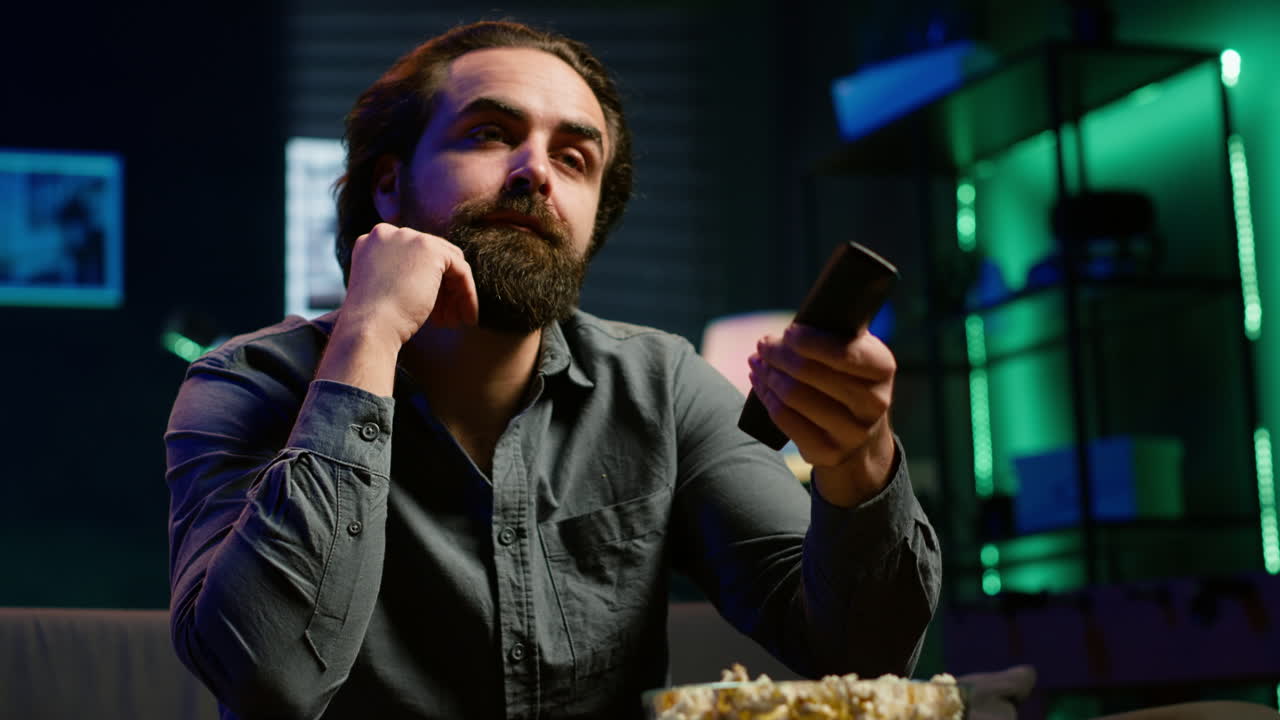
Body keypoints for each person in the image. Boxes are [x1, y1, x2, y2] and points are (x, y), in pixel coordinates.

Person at [165, 19, 940, 720]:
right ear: (390, 183)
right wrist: (367, 335)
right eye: (489, 134)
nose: (536, 170)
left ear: (594, 220)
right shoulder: (248, 384)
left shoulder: (662, 387)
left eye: (574, 158)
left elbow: (860, 652)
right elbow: (269, 681)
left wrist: (859, 458)